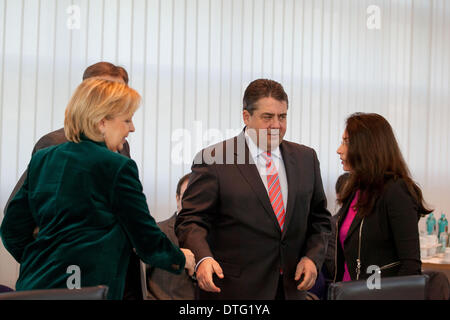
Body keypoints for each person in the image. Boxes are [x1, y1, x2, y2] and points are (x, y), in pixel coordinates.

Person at [0, 79, 195, 300]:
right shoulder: (117, 166)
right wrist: (181, 258)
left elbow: (12, 231)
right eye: (127, 120)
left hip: (34, 286)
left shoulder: (43, 159)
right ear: (102, 122)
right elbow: (146, 239)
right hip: (86, 289)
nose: (132, 128)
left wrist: (41, 261)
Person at [175, 79, 332, 300]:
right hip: (233, 291)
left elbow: (320, 219)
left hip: (291, 289)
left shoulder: (306, 158)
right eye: (267, 117)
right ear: (246, 117)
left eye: (282, 117)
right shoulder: (214, 160)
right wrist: (203, 258)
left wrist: (312, 258)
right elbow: (191, 220)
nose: (276, 125)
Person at [3, 62, 143, 300]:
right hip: (73, 281)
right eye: (103, 91)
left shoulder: (122, 144)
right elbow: (17, 220)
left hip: (118, 275)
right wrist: (47, 263)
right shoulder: (55, 144)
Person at [331, 112, 432, 283]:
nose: (339, 150)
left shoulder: (396, 191)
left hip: (375, 294)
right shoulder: (355, 189)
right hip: (349, 291)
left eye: (346, 142)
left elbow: (410, 266)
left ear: (368, 147)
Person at [144, 173, 197, 300]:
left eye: (198, 198)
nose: (193, 203)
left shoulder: (219, 237)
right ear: (177, 198)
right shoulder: (157, 232)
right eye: (187, 197)